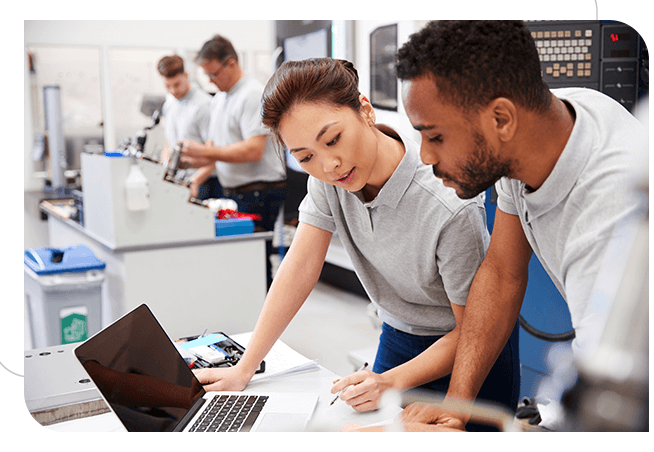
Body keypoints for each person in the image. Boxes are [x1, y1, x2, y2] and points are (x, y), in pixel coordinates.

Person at [191, 58, 520, 429]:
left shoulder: (445, 203)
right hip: (397, 336)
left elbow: (475, 327)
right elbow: (298, 268)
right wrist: (244, 368)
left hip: (468, 351)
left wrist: (391, 381)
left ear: (365, 110)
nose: (329, 164)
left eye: (333, 139)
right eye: (306, 157)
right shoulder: (329, 182)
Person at [392, 20, 645, 431]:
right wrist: (457, 405)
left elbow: (605, 419)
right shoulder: (537, 132)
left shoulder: (606, 216)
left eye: (435, 136)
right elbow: (502, 272)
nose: (424, 157)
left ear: (502, 120)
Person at [180, 35, 287, 287]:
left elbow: (252, 151)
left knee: (256, 265)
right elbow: (218, 150)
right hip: (236, 192)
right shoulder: (219, 99)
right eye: (206, 75)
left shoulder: (251, 95)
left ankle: (264, 319)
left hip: (260, 192)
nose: (210, 81)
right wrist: (189, 164)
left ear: (230, 64)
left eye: (214, 73)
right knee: (238, 264)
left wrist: (205, 153)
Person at [157, 54, 221, 200]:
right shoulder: (169, 104)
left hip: (204, 182)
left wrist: (195, 181)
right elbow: (169, 142)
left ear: (186, 75)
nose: (173, 91)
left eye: (177, 84)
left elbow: (217, 154)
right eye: (167, 86)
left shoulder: (203, 105)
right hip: (178, 180)